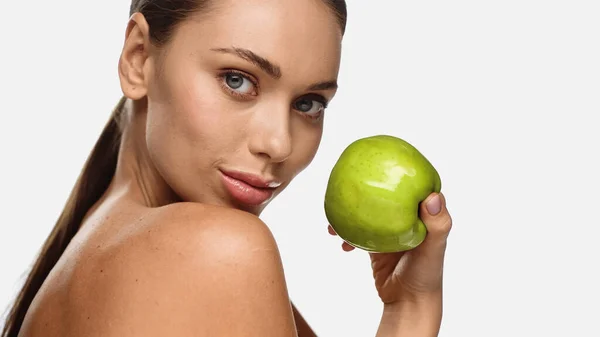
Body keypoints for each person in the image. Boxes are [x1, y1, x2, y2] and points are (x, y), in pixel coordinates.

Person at [1, 0, 453, 336]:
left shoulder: (89, 251)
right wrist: (413, 310)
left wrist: (408, 305)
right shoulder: (220, 252)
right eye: (237, 80)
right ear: (139, 57)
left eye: (309, 103)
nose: (278, 143)